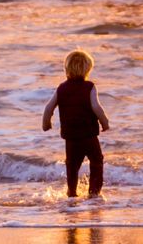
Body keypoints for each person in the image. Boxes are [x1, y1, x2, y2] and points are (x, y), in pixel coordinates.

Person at [41, 49, 111, 198]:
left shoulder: (61, 88)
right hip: (89, 136)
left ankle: (71, 192)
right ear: (87, 69)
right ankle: (94, 193)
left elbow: (48, 107)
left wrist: (46, 123)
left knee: (72, 165)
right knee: (96, 161)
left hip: (71, 137)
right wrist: (104, 122)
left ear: (67, 69)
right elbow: (96, 107)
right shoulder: (89, 87)